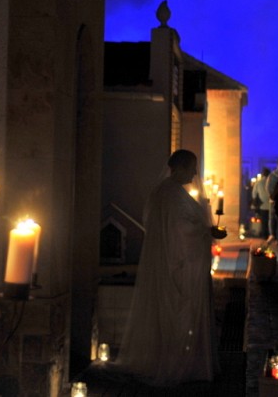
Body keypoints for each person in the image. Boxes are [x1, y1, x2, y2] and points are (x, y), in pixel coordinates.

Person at [115, 149, 219, 386]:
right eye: (192, 167)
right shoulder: (171, 195)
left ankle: (185, 359)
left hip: (176, 262)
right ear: (180, 167)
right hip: (179, 265)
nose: (195, 173)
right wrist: (205, 231)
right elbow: (180, 231)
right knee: (179, 313)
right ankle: (181, 362)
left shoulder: (167, 193)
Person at [266, 158, 278, 241]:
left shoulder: (273, 175)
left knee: (275, 218)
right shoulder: (276, 175)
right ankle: (275, 236)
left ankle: (275, 235)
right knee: (276, 218)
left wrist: (272, 196)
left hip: (277, 200)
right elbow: (268, 188)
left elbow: (267, 187)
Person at [251, 167, 271, 238]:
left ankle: (264, 236)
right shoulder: (272, 182)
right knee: (270, 222)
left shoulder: (258, 182)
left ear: (263, 174)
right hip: (271, 205)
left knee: (264, 222)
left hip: (262, 205)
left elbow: (254, 194)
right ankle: (270, 235)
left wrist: (254, 204)